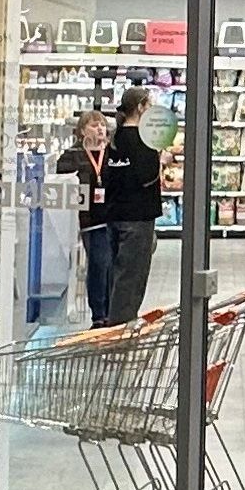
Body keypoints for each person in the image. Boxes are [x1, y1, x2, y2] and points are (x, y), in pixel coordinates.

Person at [90, 88, 166, 322]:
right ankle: (120, 331)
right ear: (141, 107)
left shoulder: (116, 138)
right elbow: (147, 177)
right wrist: (159, 159)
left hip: (115, 215)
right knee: (131, 280)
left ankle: (112, 323)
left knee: (117, 275)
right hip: (138, 217)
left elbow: (111, 175)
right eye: (148, 105)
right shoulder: (144, 140)